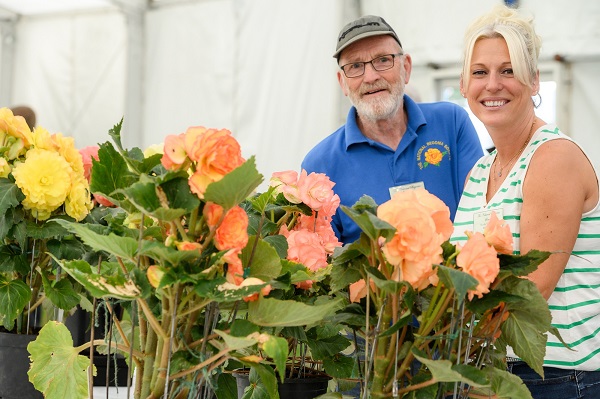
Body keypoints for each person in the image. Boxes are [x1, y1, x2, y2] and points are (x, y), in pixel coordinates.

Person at [451, 5, 600, 398]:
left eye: (509, 70)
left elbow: (531, 292)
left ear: (534, 81)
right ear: (464, 85)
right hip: (497, 368)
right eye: (480, 72)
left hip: (559, 377)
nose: (493, 85)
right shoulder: (480, 171)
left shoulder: (553, 157)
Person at [301, 15, 483, 245]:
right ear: (342, 83)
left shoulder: (451, 123)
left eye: (383, 60)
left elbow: (480, 215)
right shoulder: (319, 166)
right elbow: (323, 269)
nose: (371, 76)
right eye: (355, 66)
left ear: (405, 68)